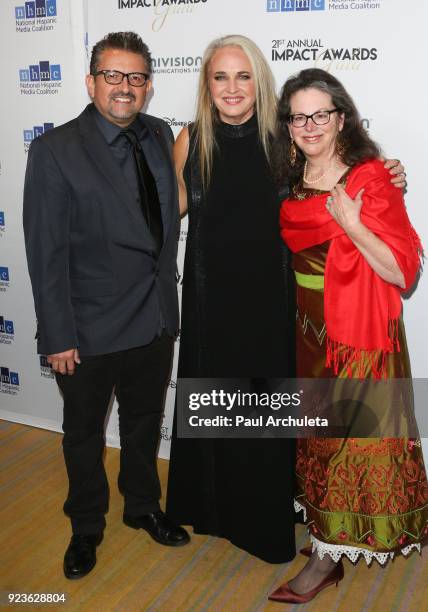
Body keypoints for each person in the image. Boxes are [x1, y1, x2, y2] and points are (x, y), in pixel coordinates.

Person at [166, 35, 405, 564]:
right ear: (207, 84)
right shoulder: (190, 138)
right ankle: (212, 511)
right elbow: (167, 210)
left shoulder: (285, 138)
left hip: (273, 302)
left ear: (259, 81)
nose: (232, 88)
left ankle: (264, 520)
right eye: (220, 77)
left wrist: (388, 172)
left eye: (243, 75)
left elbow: (334, 170)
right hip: (210, 301)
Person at [23, 31, 189, 581]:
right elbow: (45, 251)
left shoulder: (161, 133)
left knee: (144, 423)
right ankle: (86, 524)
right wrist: (57, 334)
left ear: (147, 85)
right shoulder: (55, 150)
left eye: (136, 77)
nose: (125, 87)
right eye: (113, 76)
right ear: (91, 81)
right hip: (88, 327)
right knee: (84, 434)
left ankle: (143, 506)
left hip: (154, 316)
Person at [268, 68, 428, 603]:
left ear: (342, 119)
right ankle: (324, 544)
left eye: (321, 114)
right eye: (299, 116)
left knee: (349, 446)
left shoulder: (370, 180)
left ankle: (324, 561)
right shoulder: (287, 177)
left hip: (357, 337)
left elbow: (403, 273)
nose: (310, 125)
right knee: (317, 440)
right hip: (308, 329)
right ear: (287, 124)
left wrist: (355, 224)